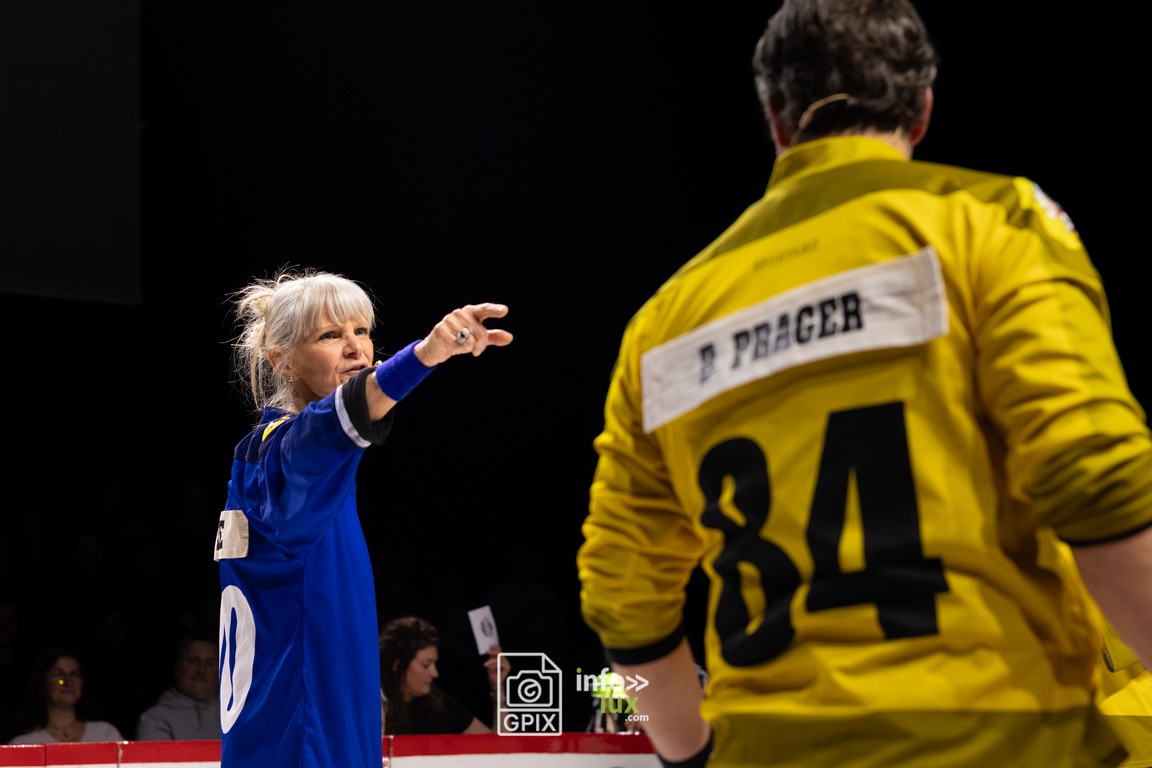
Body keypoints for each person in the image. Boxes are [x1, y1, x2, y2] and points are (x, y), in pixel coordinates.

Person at [576, 2, 1152, 767]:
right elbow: (1095, 480)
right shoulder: (991, 222)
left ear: (776, 120)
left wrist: (688, 756)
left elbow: (621, 599)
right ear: (922, 108)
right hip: (992, 738)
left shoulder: (664, 322)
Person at [214, 267, 511, 767]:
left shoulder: (262, 459)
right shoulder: (291, 454)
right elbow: (346, 412)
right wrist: (428, 353)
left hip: (291, 728)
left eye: (361, 331)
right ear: (282, 362)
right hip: (302, 738)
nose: (356, 348)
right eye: (330, 336)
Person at [378, 615, 508, 735]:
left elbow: (499, 746)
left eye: (434, 664)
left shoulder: (439, 705)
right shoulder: (374, 708)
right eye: (425, 665)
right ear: (397, 665)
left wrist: (498, 687)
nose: (435, 673)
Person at [7, 646, 123, 744]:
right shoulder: (25, 743)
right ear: (41, 685)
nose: (68, 682)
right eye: (58, 675)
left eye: (74, 674)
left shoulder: (105, 734)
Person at [136, 632, 220, 740]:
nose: (201, 670)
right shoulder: (154, 719)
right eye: (193, 661)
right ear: (177, 667)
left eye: (210, 663)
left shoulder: (234, 717)